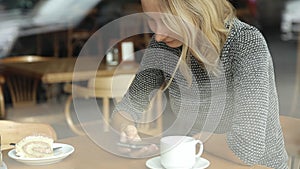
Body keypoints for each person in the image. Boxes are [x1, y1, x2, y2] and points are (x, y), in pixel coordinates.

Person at [111, 0, 288, 168]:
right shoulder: (163, 47)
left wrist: (196, 140)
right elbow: (128, 106)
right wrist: (126, 131)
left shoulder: (245, 42)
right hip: (194, 159)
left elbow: (246, 151)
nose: (158, 36)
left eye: (167, 20)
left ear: (197, 10)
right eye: (151, 20)